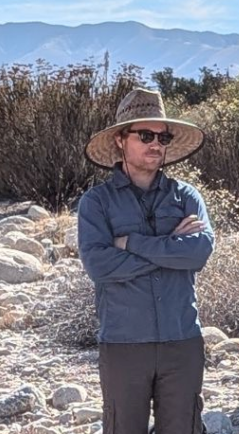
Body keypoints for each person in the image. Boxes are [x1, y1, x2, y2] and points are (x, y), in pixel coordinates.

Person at [78, 88, 215, 434]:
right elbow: (99, 266)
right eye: (145, 135)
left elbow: (198, 251)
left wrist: (131, 244)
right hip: (124, 343)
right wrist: (172, 249)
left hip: (182, 340)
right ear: (121, 140)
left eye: (163, 136)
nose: (156, 143)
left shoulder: (186, 197)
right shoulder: (96, 203)